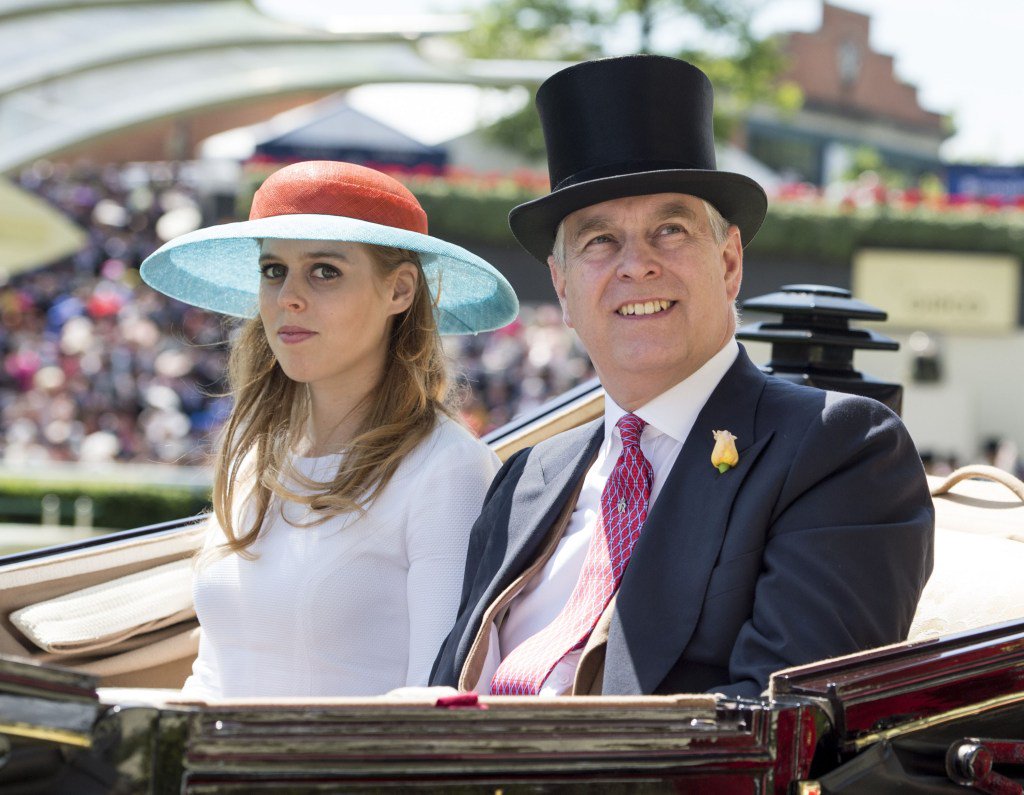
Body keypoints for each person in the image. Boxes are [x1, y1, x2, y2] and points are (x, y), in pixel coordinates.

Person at [429, 55, 934, 699]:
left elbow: (776, 732)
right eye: (599, 241)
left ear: (728, 262)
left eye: (670, 230)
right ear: (562, 287)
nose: (636, 265)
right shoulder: (527, 477)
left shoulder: (837, 450)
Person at [140, 160, 518, 698]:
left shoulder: (448, 469)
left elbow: (440, 707)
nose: (288, 297)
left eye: (325, 271)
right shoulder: (255, 458)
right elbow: (214, 676)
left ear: (400, 291)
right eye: (273, 270)